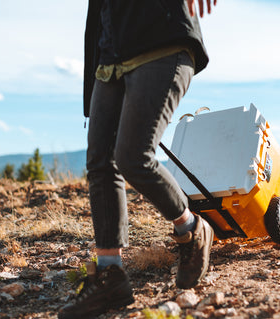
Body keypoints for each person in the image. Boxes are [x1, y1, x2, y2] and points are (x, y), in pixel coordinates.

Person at [59, 0, 217, 318]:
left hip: (161, 37)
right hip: (111, 52)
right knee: (101, 163)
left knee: (133, 156)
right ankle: (110, 275)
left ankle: (192, 228)